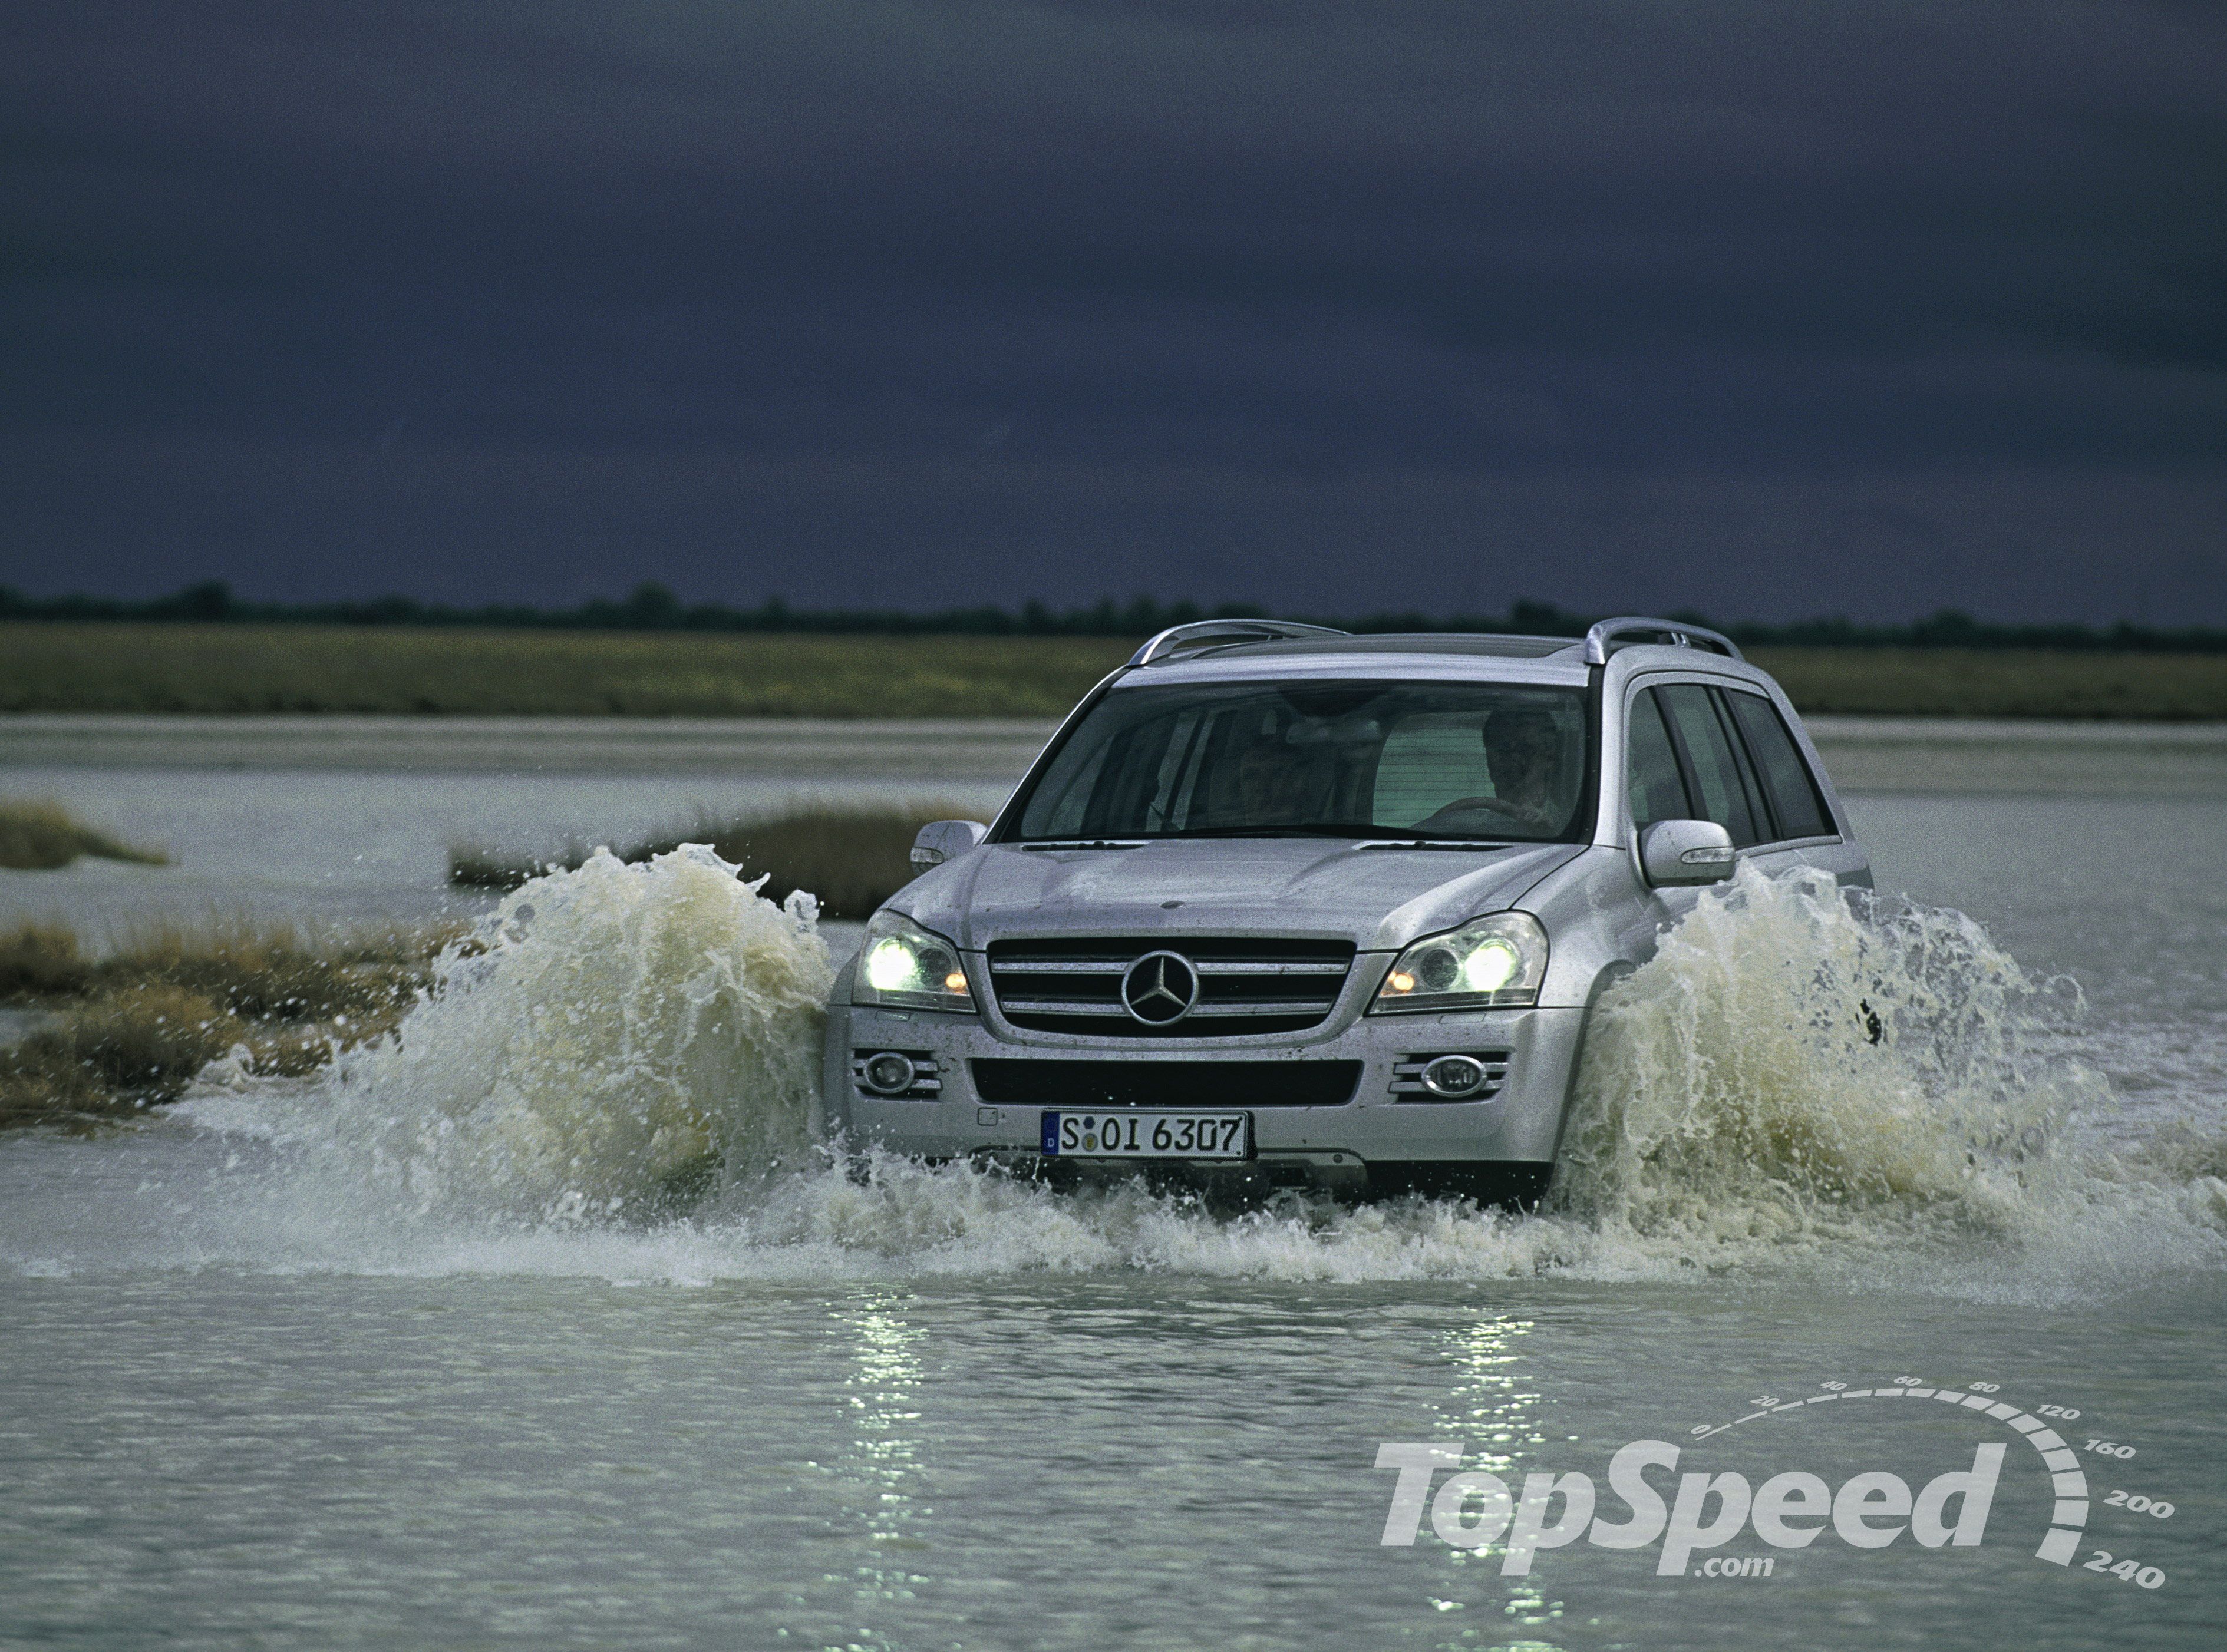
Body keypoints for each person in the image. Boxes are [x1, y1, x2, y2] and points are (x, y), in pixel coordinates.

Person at [1412, 703, 1568, 835]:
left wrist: (1544, 833)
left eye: (1524, 750)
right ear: (1488, 758)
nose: (1512, 760)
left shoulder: (1569, 830)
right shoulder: (1461, 822)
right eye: (1502, 749)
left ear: (1549, 758)